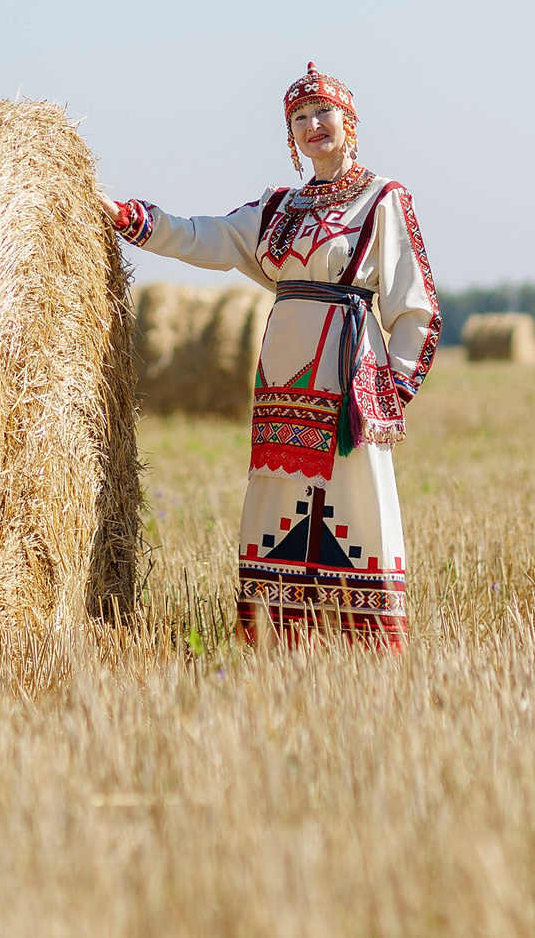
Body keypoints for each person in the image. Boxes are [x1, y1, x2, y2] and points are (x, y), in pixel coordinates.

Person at [102, 63, 440, 647]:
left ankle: (360, 638)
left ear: (349, 121)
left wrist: (391, 389)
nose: (313, 125)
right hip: (283, 381)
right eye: (300, 118)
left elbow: (415, 307)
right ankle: (277, 636)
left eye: (323, 113)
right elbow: (203, 235)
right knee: (279, 499)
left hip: (346, 376)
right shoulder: (277, 208)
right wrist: (135, 220)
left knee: (354, 498)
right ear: (291, 137)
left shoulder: (382, 199)